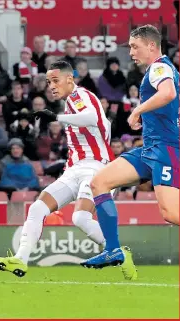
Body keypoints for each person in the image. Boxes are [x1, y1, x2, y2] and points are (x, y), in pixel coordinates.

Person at [0, 61, 116, 278]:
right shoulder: (70, 104)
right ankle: (20, 259)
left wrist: (57, 118)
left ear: (69, 79)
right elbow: (100, 125)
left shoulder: (80, 95)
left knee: (81, 218)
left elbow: (93, 118)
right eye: (48, 82)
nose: (51, 86)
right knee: (37, 209)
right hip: (75, 170)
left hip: (95, 168)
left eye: (55, 80)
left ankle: (117, 250)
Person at [81, 25, 179, 279]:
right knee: (99, 182)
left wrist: (137, 111)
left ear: (151, 46)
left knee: (170, 213)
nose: (131, 52)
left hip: (166, 150)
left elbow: (168, 93)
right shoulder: (157, 70)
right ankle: (113, 250)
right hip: (150, 149)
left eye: (135, 47)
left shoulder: (159, 67)